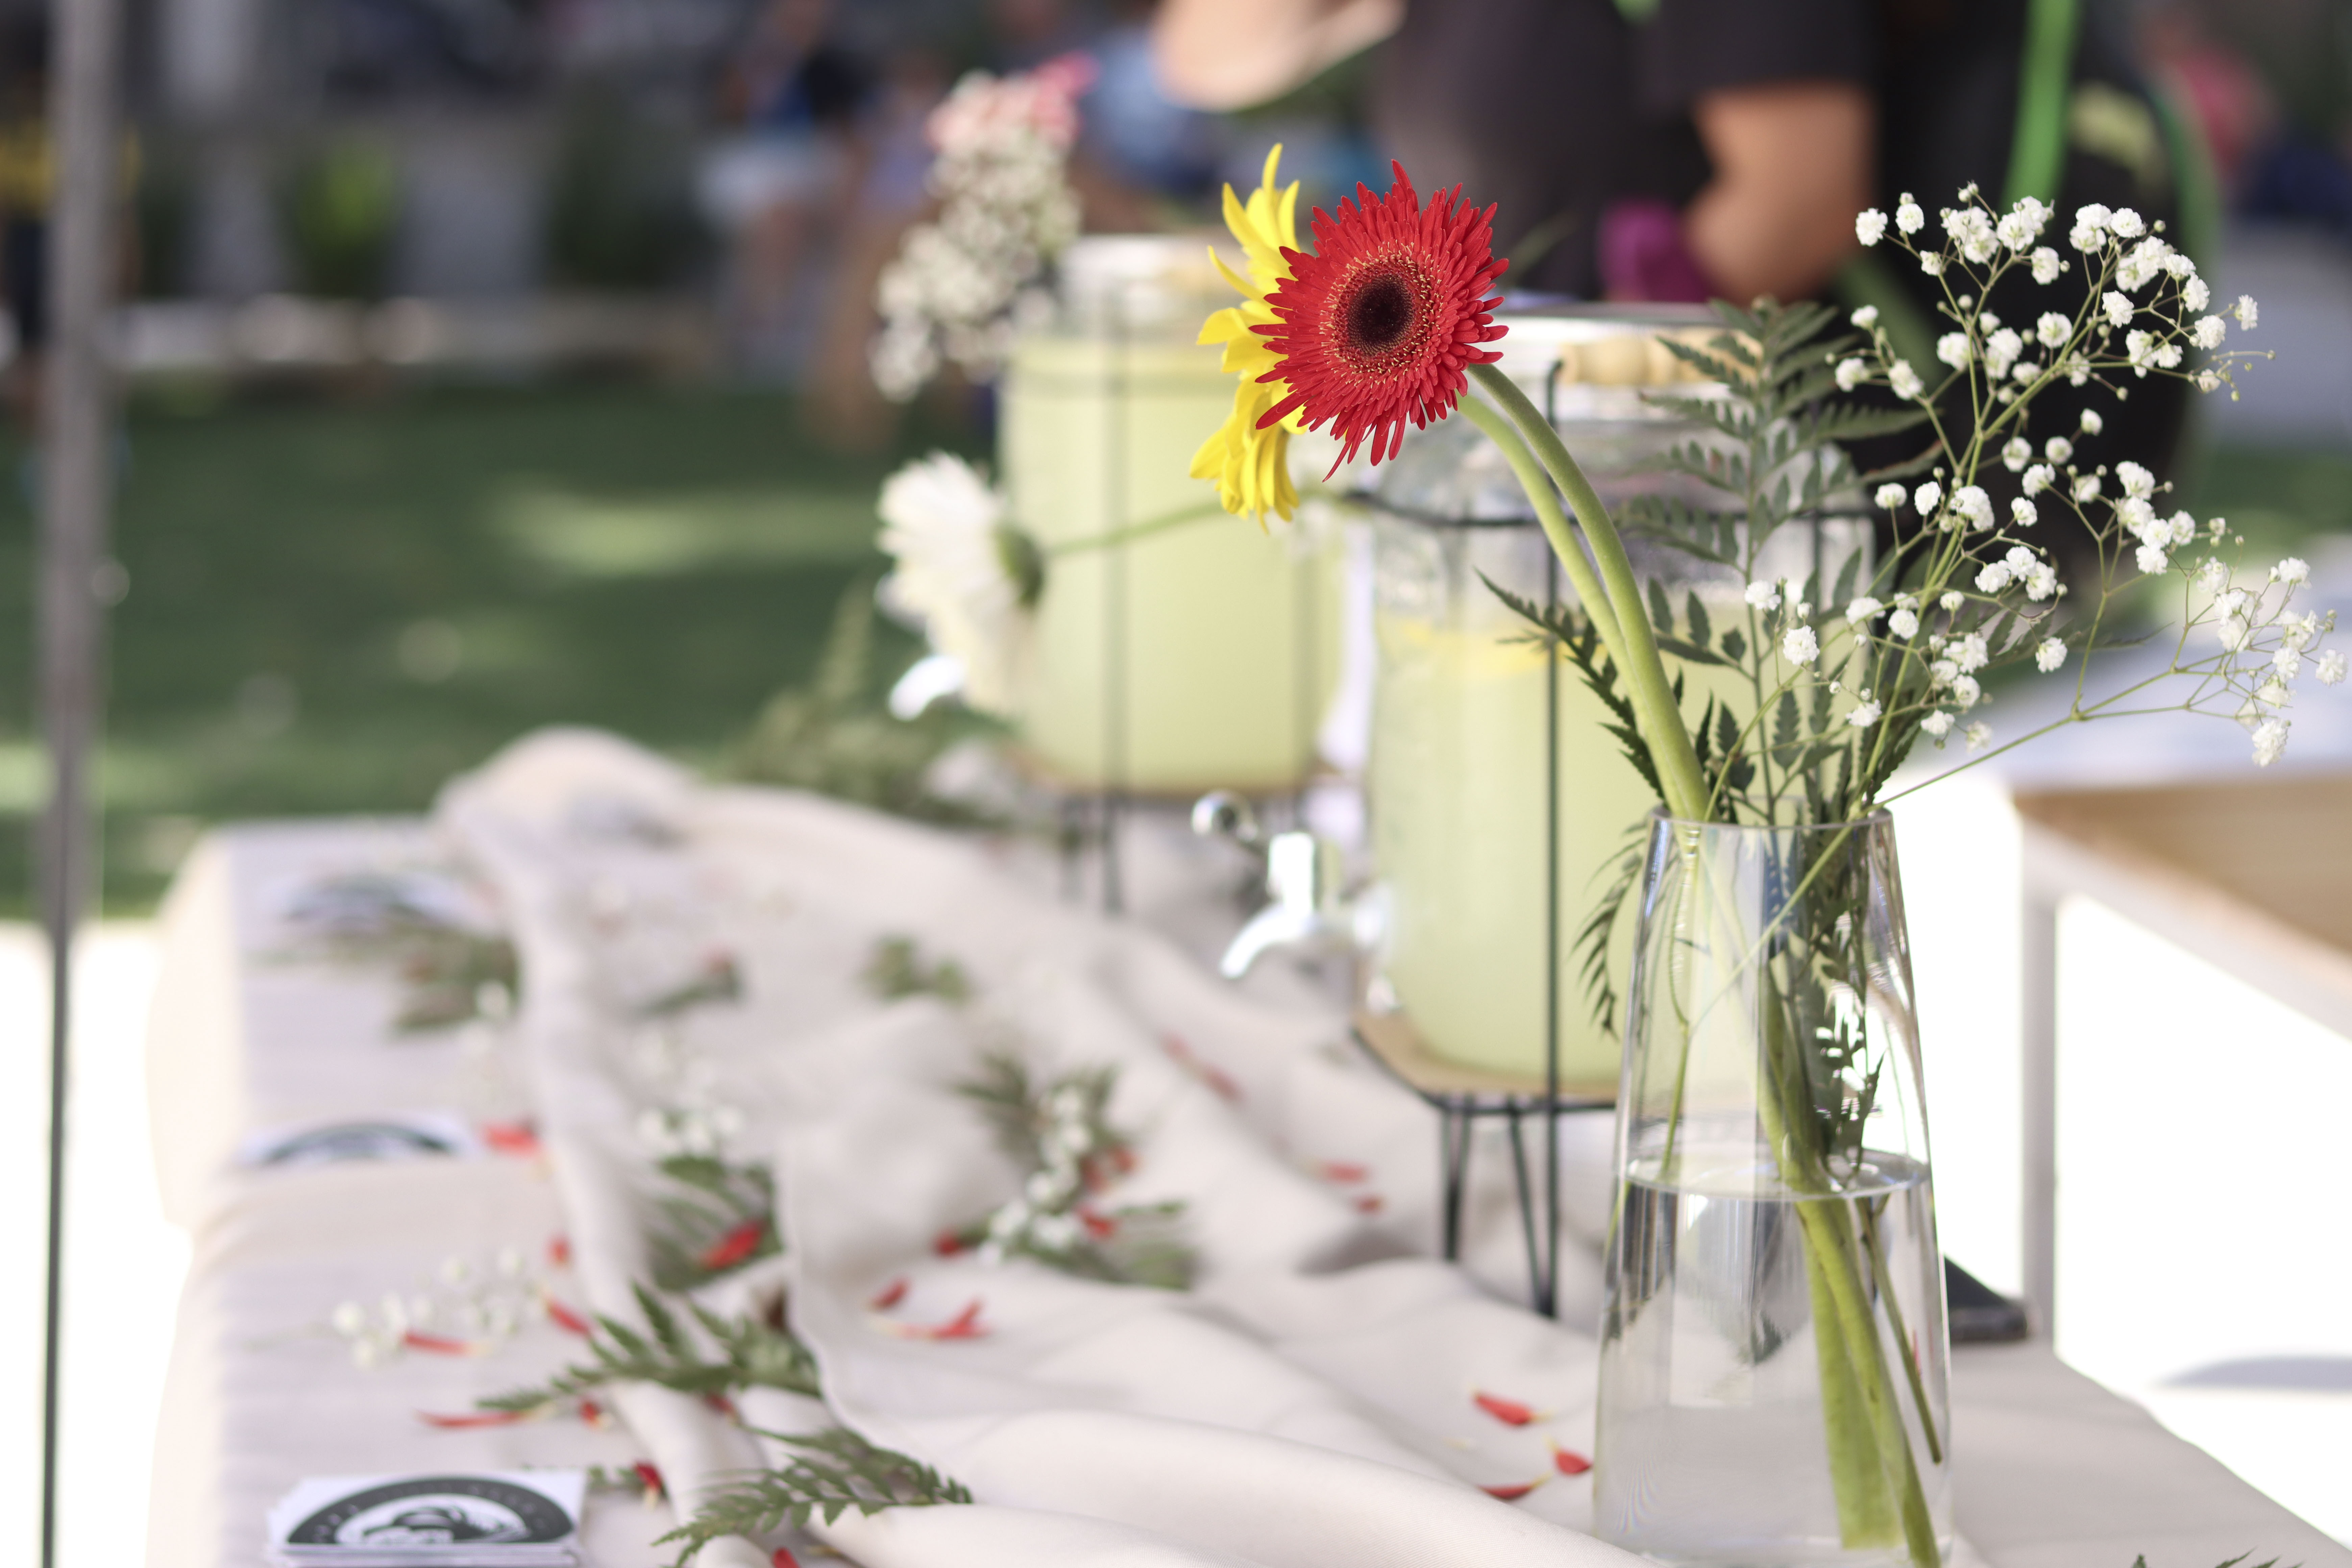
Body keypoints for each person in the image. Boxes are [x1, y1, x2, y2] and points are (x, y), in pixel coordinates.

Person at [1153, 0, 2198, 531]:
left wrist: (1581, 417)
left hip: (1685, 512)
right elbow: (1202, 57)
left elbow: (1799, 200)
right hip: (1524, 483)